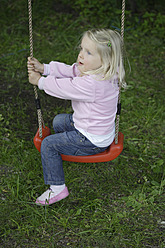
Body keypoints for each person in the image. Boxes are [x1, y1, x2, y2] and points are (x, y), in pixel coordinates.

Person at [27, 28, 125, 206]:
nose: (81, 55)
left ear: (106, 59)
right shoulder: (106, 71)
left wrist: (40, 81)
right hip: (95, 128)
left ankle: (57, 188)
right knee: (59, 121)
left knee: (48, 144)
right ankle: (64, 151)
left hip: (91, 140)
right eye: (82, 49)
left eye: (88, 52)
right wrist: (45, 68)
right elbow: (72, 71)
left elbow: (64, 88)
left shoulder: (93, 84)